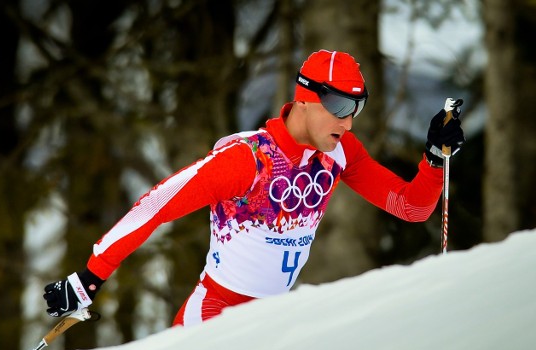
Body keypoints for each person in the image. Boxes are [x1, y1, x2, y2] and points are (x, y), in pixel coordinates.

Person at [43, 49, 465, 327]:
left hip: (273, 323)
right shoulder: (248, 160)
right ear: (304, 98)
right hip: (213, 317)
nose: (348, 121)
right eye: (338, 106)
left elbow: (411, 208)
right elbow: (156, 204)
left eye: (357, 107)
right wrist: (89, 278)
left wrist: (433, 157)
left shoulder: (339, 151)